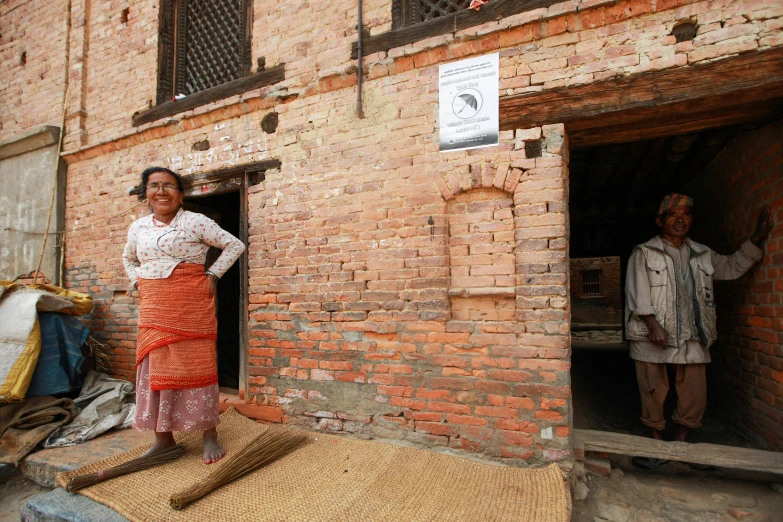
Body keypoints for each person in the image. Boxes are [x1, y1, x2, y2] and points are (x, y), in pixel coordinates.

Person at [625, 193, 773, 444]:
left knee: (694, 389)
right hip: (653, 332)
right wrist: (652, 324)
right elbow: (636, 291)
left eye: (686, 215)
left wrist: (755, 239)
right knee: (652, 387)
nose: (680, 220)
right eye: (673, 215)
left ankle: (683, 436)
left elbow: (731, 267)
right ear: (660, 221)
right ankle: (656, 436)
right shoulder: (645, 252)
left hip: (693, 330)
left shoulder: (702, 253)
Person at [122, 167, 245, 464]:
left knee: (196, 365)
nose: (161, 191)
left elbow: (234, 244)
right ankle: (163, 439)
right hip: (154, 305)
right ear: (146, 192)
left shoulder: (195, 221)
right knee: (155, 366)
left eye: (169, 186)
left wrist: (213, 274)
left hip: (190, 304)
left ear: (181, 194)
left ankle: (209, 435)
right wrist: (137, 281)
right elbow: (128, 257)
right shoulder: (138, 227)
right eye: (154, 186)